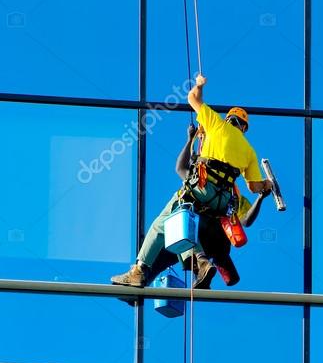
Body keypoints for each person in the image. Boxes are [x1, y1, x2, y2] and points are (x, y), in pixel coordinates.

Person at [111, 73, 271, 288]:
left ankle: (139, 270)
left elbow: (192, 99)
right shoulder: (249, 151)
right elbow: (254, 187)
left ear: (228, 119)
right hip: (220, 202)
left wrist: (199, 85)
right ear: (244, 127)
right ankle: (201, 266)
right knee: (187, 226)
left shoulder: (216, 123)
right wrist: (266, 189)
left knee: (162, 224)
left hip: (201, 191)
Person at [140, 124, 268, 289]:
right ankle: (205, 273)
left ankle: (140, 281)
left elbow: (180, 168)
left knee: (172, 231)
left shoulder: (199, 181)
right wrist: (260, 197)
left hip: (194, 237)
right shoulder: (232, 194)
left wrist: (189, 140)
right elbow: (246, 221)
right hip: (213, 244)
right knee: (180, 247)